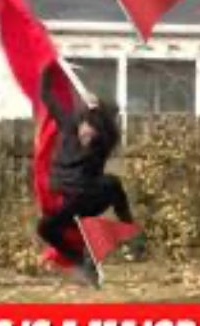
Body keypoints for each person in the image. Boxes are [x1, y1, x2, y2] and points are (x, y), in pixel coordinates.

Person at [37, 62, 138, 287]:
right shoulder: (67, 126)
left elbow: (111, 118)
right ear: (79, 123)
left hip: (89, 197)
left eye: (92, 130)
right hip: (70, 200)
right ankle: (80, 261)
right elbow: (47, 95)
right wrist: (48, 67)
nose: (87, 134)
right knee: (45, 228)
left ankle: (129, 229)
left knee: (113, 183)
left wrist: (98, 108)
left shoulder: (104, 141)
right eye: (84, 128)